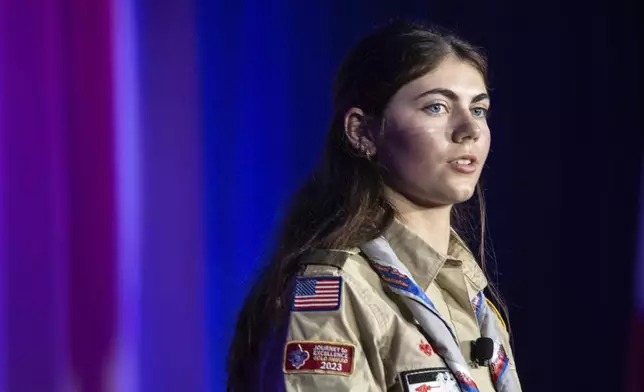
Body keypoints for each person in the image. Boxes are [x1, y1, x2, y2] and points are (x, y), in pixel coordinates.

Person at [227, 20, 522, 392]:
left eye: (479, 110)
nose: (469, 129)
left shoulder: (468, 289)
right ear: (362, 132)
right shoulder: (337, 291)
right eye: (436, 107)